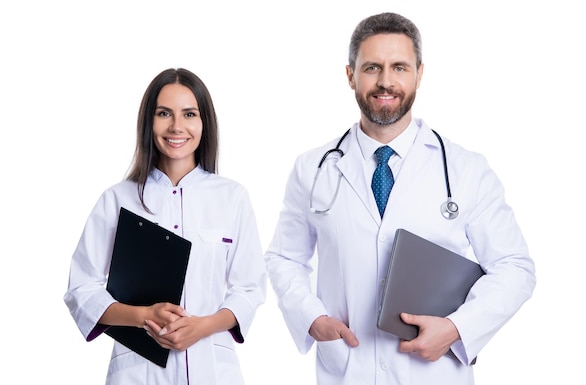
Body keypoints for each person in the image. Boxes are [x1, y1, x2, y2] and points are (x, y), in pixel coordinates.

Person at [264, 12, 536, 385]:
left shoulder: (466, 170)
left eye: (400, 68)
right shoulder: (312, 169)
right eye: (372, 67)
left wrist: (457, 329)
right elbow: (283, 258)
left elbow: (514, 267)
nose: (386, 82)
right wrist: (310, 317)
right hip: (347, 369)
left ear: (419, 75)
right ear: (350, 75)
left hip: (434, 373)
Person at [64, 68, 266, 385]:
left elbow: (250, 289)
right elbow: (81, 288)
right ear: (149, 121)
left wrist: (203, 326)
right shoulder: (118, 200)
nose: (177, 126)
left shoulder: (232, 198)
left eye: (189, 114)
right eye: (164, 114)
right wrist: (142, 317)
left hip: (212, 368)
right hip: (138, 372)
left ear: (204, 123)